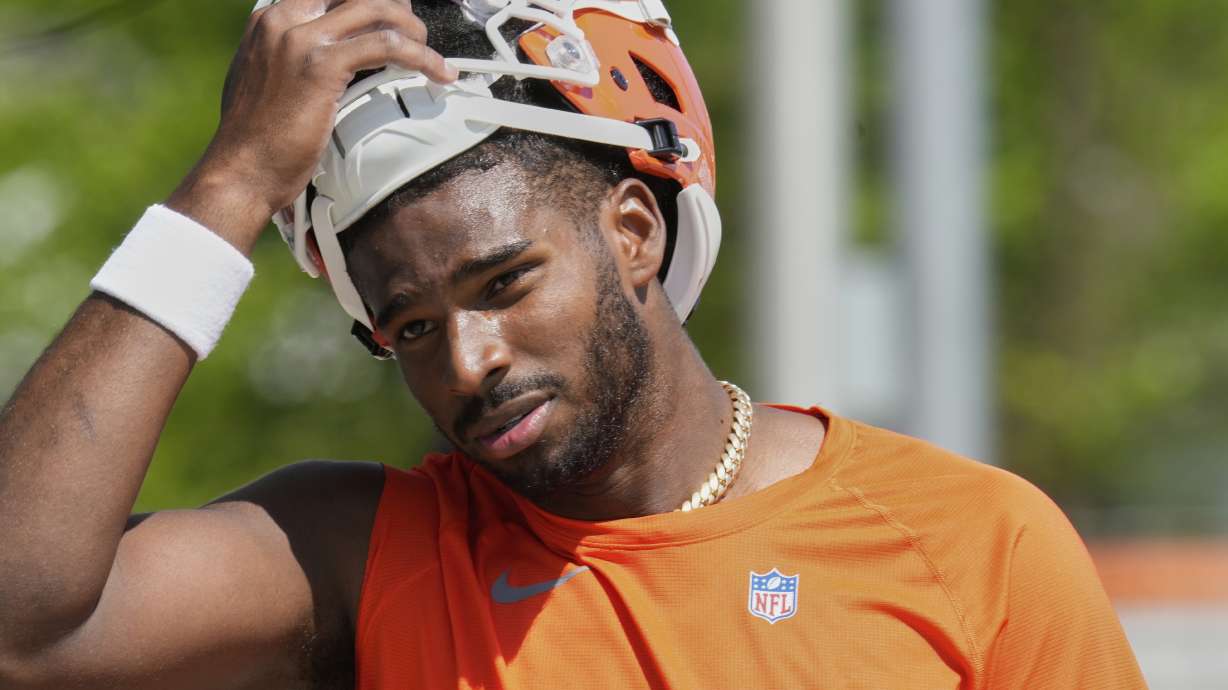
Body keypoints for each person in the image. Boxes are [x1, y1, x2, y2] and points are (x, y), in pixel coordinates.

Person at [0, 1, 1145, 688]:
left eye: (503, 281)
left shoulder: (974, 546)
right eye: (409, 327)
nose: (467, 359)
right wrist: (235, 179)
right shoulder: (365, 558)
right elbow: (21, 626)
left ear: (633, 230)